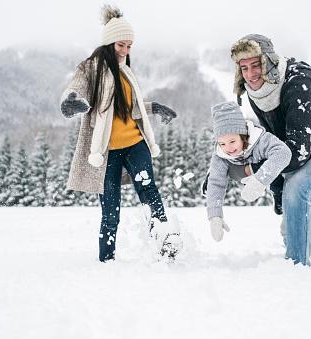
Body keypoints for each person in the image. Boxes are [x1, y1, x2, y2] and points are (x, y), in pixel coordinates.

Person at [60, 5, 181, 262]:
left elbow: (130, 107)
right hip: (107, 153)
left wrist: (154, 107)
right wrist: (71, 100)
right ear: (108, 43)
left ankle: (166, 246)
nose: (125, 51)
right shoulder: (90, 69)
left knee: (150, 193)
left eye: (129, 46)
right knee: (111, 210)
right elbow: (76, 89)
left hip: (136, 144)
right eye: (121, 46)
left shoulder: (125, 70)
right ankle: (107, 260)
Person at [230, 34, 311, 265]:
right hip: (298, 152)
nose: (251, 74)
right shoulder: (257, 93)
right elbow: (275, 143)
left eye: (256, 65)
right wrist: (278, 193)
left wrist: (258, 172)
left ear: (269, 61)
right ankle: (292, 245)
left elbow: (297, 151)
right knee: (289, 193)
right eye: (244, 68)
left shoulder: (298, 83)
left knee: (297, 188)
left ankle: (297, 266)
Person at [206, 101, 291, 241]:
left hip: (277, 172)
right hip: (240, 173)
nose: (228, 148)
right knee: (214, 176)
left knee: (277, 177)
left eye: (232, 141)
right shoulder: (221, 155)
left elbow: (283, 153)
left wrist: (260, 180)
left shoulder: (261, 140)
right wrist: (215, 216)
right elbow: (216, 183)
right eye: (222, 143)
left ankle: (280, 196)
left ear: (243, 134)